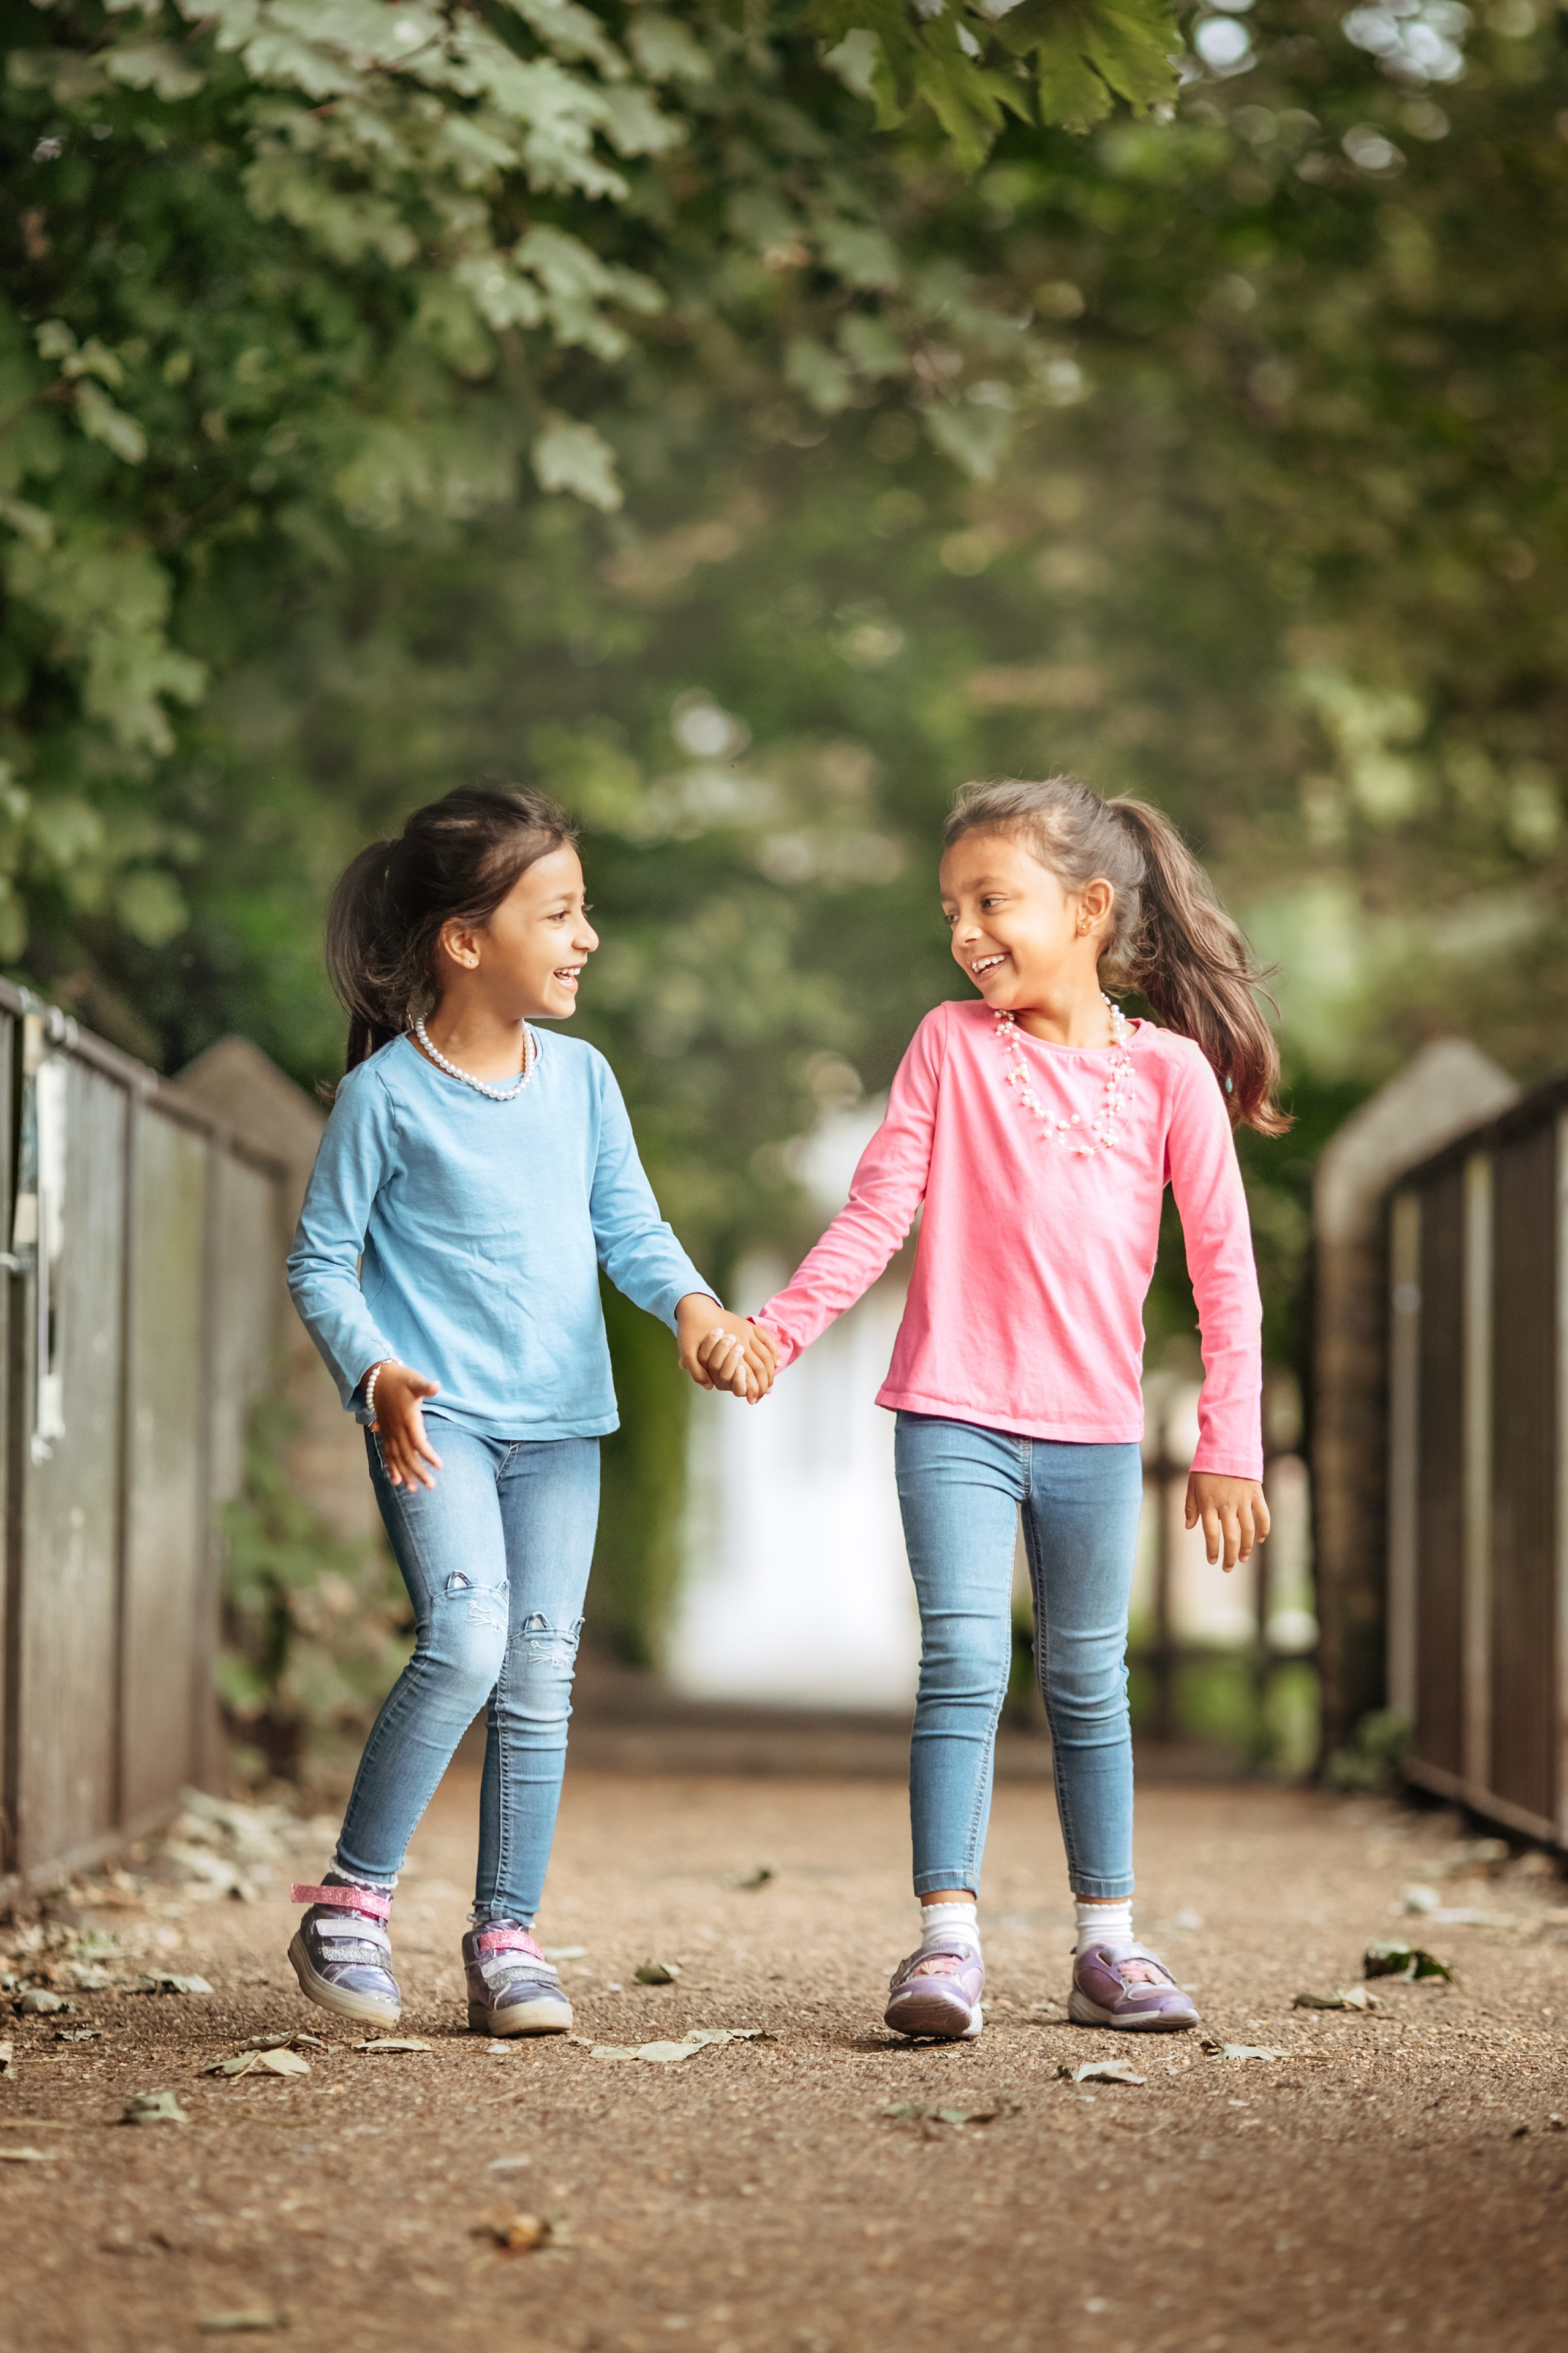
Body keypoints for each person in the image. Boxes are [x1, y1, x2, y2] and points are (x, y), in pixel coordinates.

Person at [752, 776, 1282, 2038]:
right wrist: (774, 1333)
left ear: (1089, 909)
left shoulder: (1170, 1080)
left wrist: (1228, 1442)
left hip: (1095, 1431)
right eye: (951, 908)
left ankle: (1108, 1945)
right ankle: (945, 1946)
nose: (964, 931)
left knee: (1089, 1682)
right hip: (951, 1413)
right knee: (963, 1663)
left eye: (991, 900)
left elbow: (1224, 1275)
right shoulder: (947, 1046)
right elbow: (878, 1208)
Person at [283, 785, 775, 2038]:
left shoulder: (584, 1081)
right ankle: (348, 1905)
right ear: (465, 940)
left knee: (542, 1671)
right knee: (464, 1642)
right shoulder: (386, 1098)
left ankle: (506, 1937)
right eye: (557, 912)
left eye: (583, 910)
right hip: (433, 1417)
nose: (585, 936)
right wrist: (375, 1369)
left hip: (561, 1425)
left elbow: (631, 1228)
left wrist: (698, 1310)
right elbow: (320, 1264)